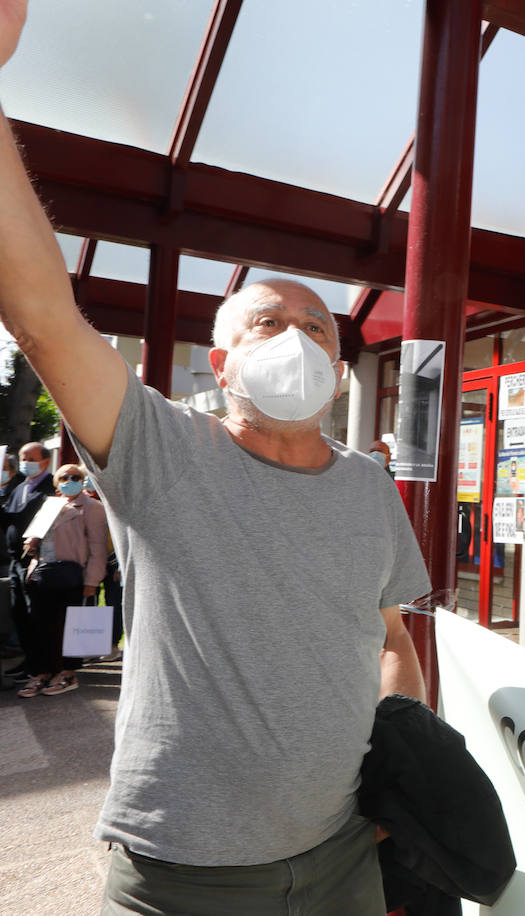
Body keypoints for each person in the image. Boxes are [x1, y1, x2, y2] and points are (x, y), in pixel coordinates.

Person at [0, 8, 432, 911]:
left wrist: (404, 769)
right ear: (222, 362)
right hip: (180, 872)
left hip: (343, 856)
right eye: (268, 323)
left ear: (342, 369)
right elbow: (42, 313)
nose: (298, 338)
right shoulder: (159, 447)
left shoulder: (367, 486)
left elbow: (393, 642)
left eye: (317, 328)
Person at [16, 463, 106, 697]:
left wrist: (92, 582)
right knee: (41, 626)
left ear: (82, 480)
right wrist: (31, 543)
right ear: (56, 484)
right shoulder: (50, 505)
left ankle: (68, 672)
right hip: (43, 573)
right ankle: (43, 672)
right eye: (63, 477)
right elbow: (35, 536)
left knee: (71, 627)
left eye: (74, 477)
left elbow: (98, 547)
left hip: (73, 576)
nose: (69, 480)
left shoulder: (92, 507)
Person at [0, 440, 55, 678]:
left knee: (37, 614)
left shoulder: (51, 487)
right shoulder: (19, 487)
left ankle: (44, 665)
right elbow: (7, 519)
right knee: (19, 612)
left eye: (31, 459)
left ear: (45, 460)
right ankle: (30, 662)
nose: (26, 463)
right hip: (15, 560)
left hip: (36, 559)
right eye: (23, 458)